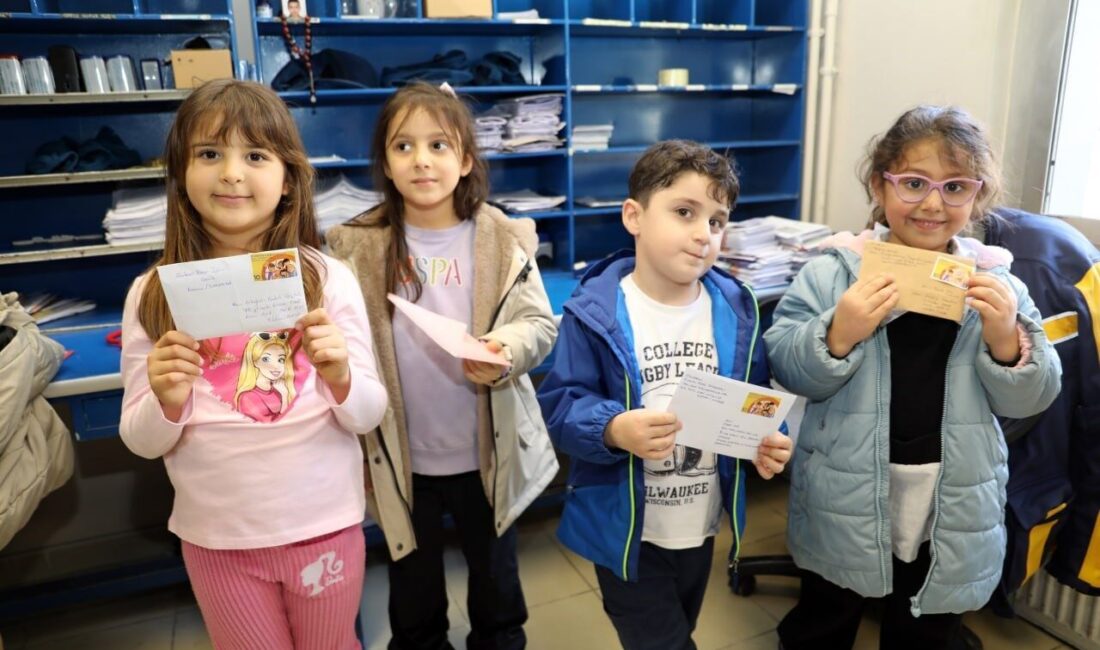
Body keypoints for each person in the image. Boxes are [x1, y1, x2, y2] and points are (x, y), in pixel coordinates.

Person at [765, 105, 1062, 650]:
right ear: (880, 186)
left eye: (955, 187)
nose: (932, 203)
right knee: (826, 614)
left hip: (953, 495)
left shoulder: (999, 284)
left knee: (927, 624)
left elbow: (1035, 396)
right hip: (846, 489)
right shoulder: (832, 274)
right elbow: (787, 365)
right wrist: (838, 332)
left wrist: (1005, 340)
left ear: (977, 196)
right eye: (913, 183)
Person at [119, 79, 387, 650]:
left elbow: (368, 414)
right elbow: (140, 441)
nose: (232, 173)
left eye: (256, 156)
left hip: (324, 527)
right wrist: (166, 399)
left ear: (288, 179)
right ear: (180, 173)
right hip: (217, 541)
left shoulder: (327, 279)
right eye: (209, 153)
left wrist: (341, 376)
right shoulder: (153, 293)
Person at [325, 82, 558, 650]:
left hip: (487, 455)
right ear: (385, 162)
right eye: (403, 146)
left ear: (466, 159)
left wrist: (503, 350)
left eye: (438, 145)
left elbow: (538, 324)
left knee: (497, 592)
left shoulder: (502, 238)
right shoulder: (355, 248)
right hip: (403, 460)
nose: (421, 160)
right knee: (413, 598)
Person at [536, 140, 792, 650]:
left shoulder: (735, 307)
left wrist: (769, 438)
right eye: (684, 212)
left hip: (700, 523)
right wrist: (613, 428)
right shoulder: (595, 312)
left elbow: (754, 396)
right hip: (627, 531)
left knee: (680, 625)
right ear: (634, 216)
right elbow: (561, 404)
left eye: (716, 221)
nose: (703, 234)